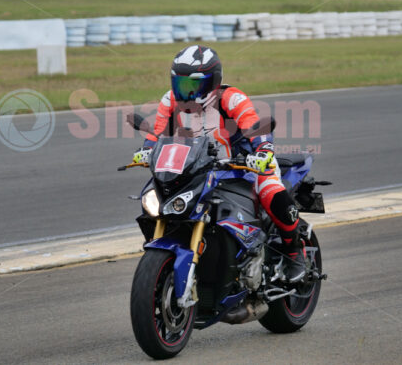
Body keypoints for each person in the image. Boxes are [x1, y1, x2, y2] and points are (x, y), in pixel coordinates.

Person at [131, 45, 306, 282]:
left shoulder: (232, 98)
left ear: (212, 81)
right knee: (157, 194)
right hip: (199, 169)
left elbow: (255, 127)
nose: (187, 91)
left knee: (269, 190)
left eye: (194, 85)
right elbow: (157, 132)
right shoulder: (169, 100)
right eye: (181, 84)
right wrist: (146, 150)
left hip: (243, 164)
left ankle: (294, 251)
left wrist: (263, 150)